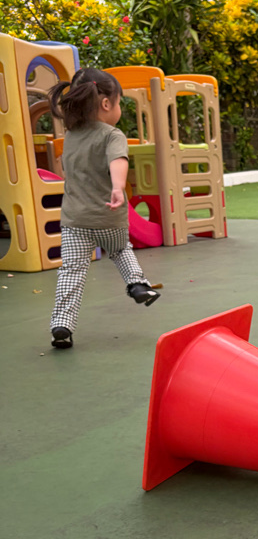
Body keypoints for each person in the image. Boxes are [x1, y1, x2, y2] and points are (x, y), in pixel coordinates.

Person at [48, 68, 160, 349]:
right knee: (120, 250)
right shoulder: (112, 135)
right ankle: (137, 284)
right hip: (108, 217)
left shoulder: (71, 135)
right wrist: (117, 187)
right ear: (107, 103)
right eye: (120, 102)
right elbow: (118, 160)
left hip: (74, 221)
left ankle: (62, 325)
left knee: (71, 271)